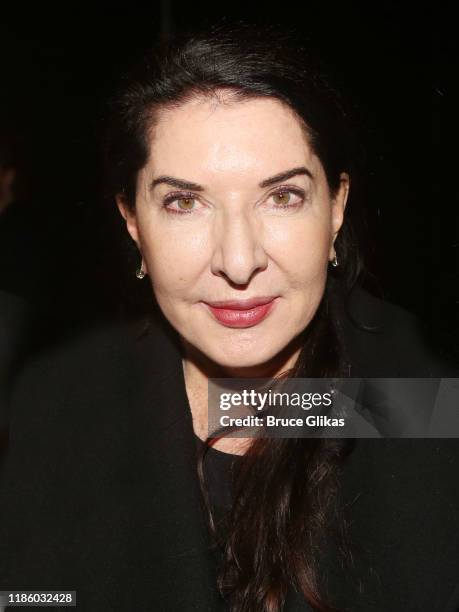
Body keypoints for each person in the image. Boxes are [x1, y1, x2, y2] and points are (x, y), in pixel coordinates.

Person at [0, 23, 458, 612]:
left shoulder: (422, 400)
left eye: (282, 196)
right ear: (133, 223)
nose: (238, 262)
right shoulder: (48, 413)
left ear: (336, 209)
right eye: (184, 202)